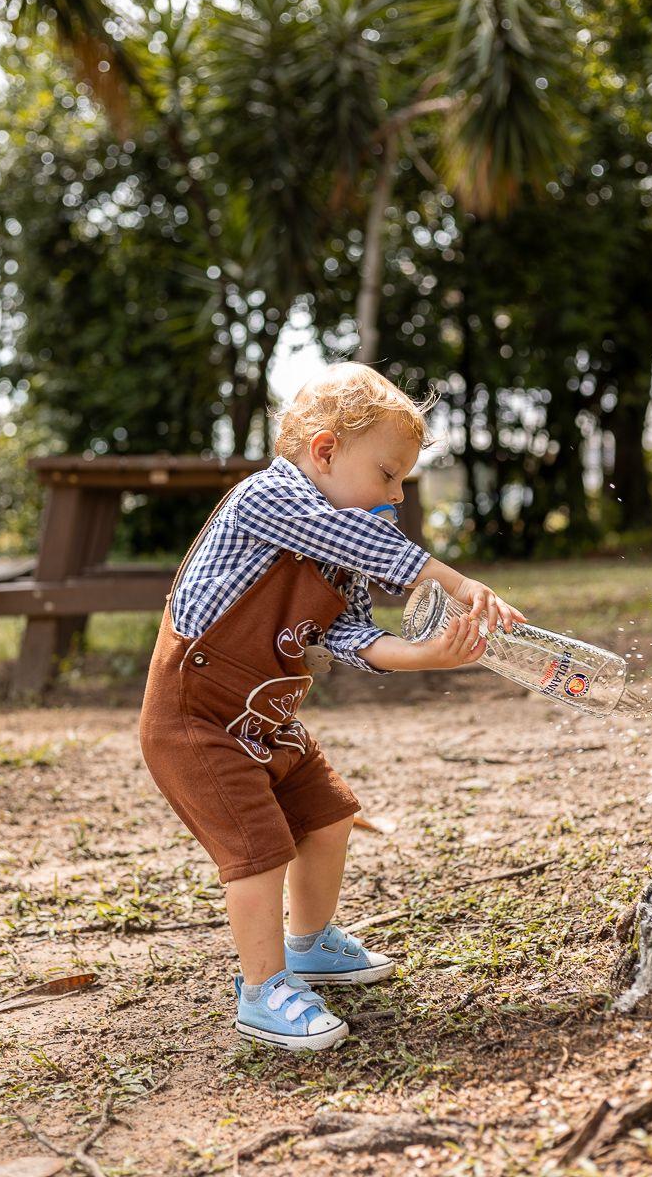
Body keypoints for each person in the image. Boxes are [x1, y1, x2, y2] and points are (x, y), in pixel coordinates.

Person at [139, 362, 525, 1052]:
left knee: (327, 818)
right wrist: (457, 583)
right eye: (387, 475)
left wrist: (431, 654)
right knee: (257, 853)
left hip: (268, 718)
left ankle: (309, 945)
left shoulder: (334, 549)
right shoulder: (269, 500)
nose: (397, 495)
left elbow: (351, 634)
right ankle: (262, 991)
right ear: (324, 452)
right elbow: (368, 544)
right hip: (195, 721)